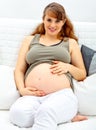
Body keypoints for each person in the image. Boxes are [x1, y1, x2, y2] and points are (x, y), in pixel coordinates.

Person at [9, 2, 87, 130]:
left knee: (46, 111)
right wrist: (22, 90)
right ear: (43, 19)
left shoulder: (70, 43)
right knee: (18, 115)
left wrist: (68, 67)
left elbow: (82, 74)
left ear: (63, 22)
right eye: (49, 20)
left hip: (61, 95)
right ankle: (65, 117)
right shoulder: (30, 40)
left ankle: (56, 114)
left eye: (57, 21)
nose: (52, 25)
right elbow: (19, 70)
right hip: (32, 96)